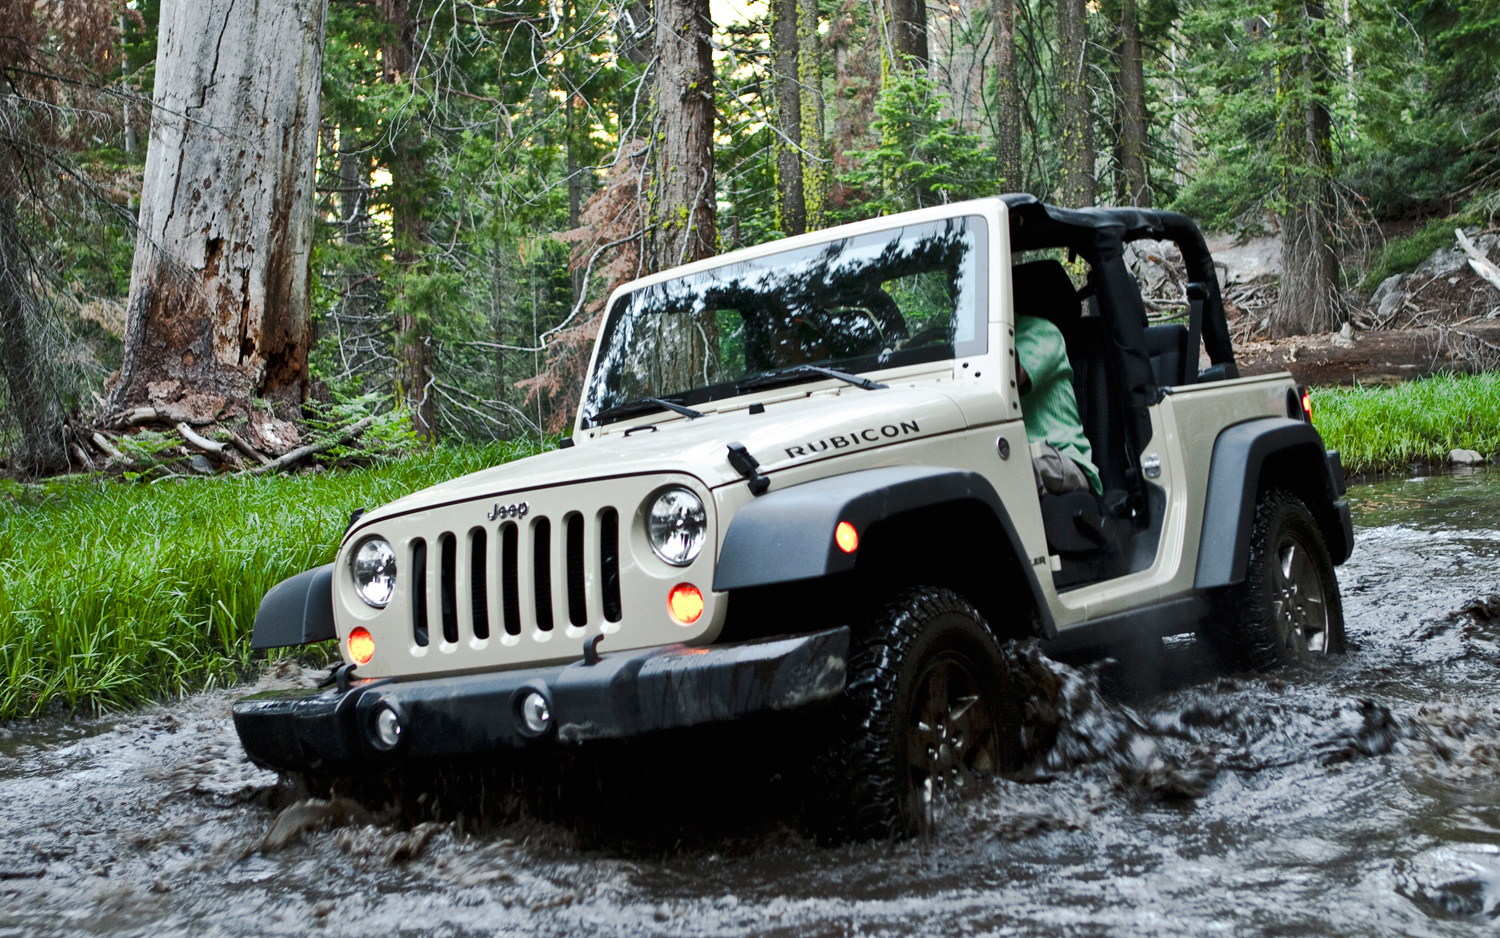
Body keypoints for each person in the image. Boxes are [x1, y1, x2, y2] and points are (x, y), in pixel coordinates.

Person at [1014, 314, 1102, 497]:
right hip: (1016, 453)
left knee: (1012, 469)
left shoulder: (1042, 332)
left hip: (1066, 457)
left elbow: (1009, 378)